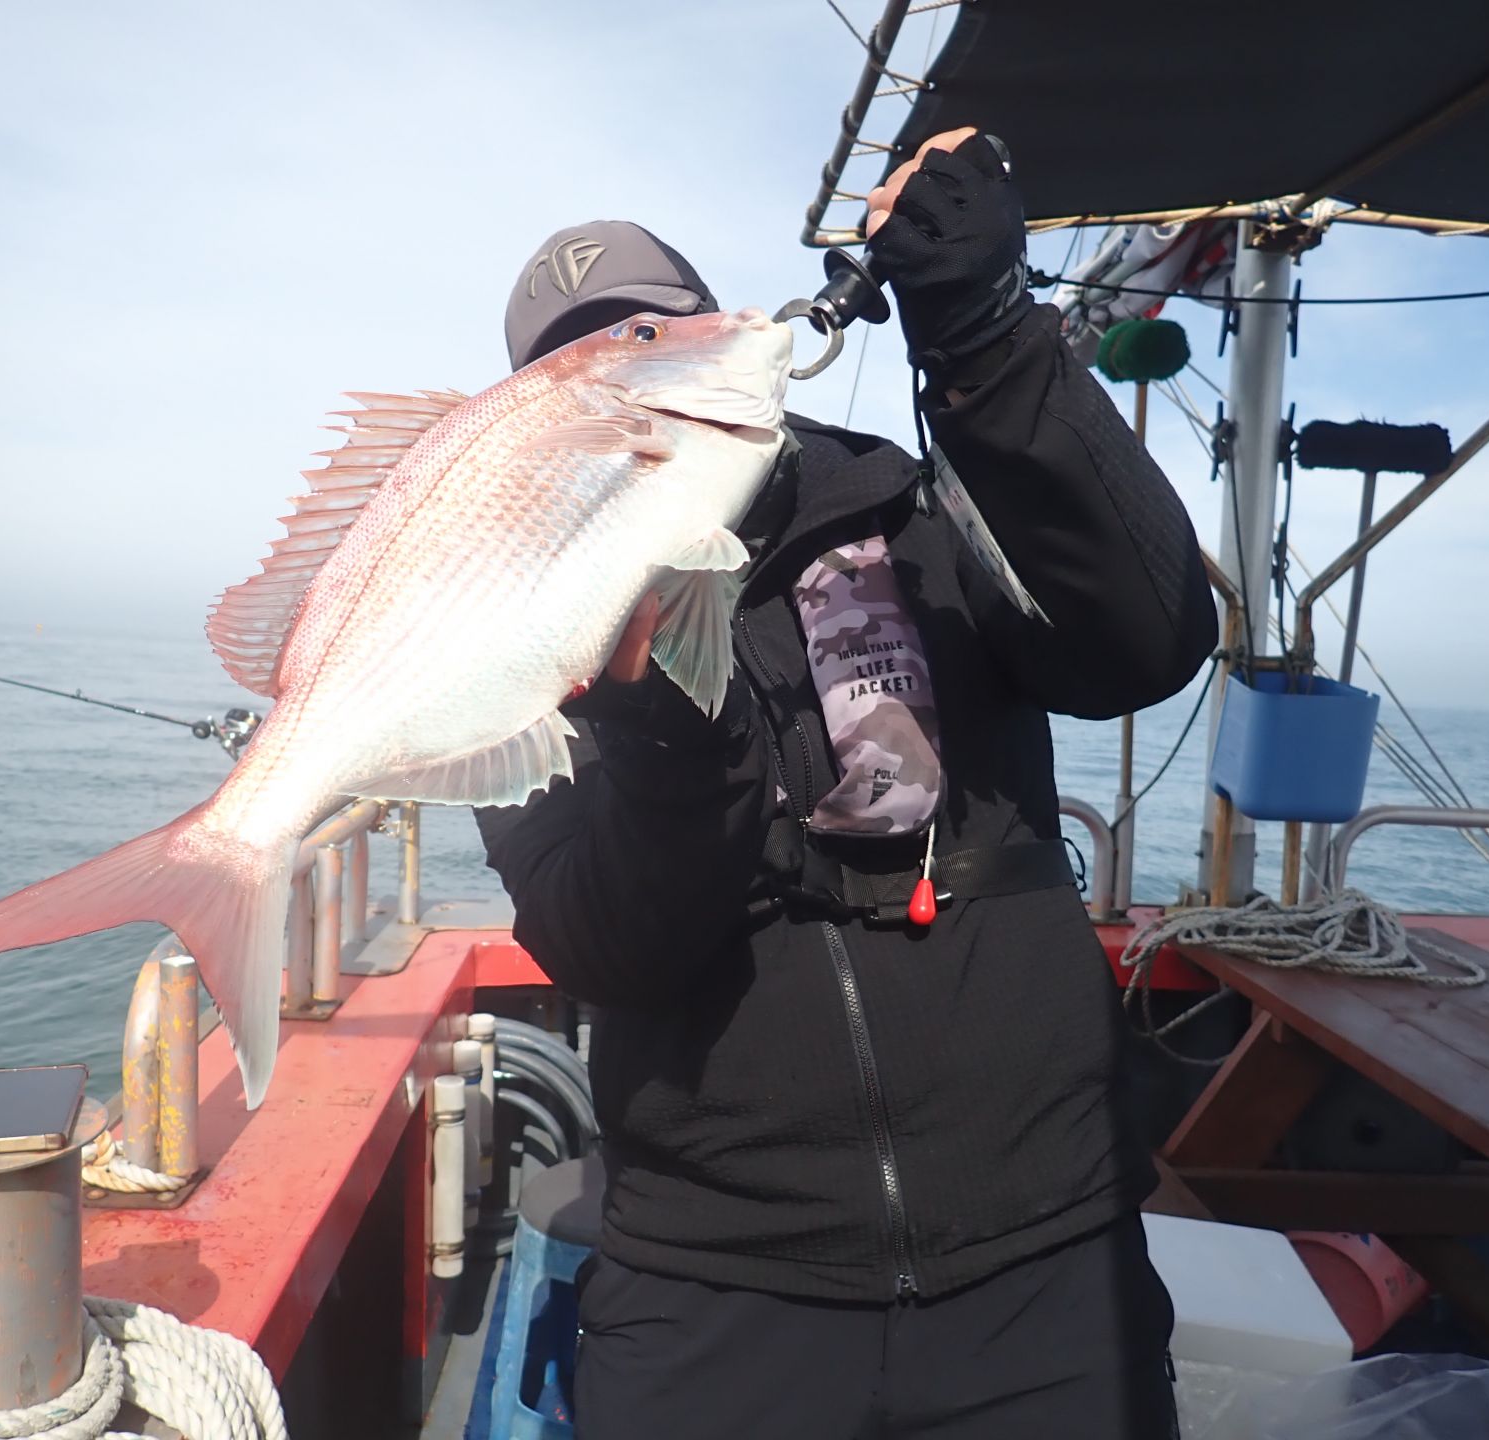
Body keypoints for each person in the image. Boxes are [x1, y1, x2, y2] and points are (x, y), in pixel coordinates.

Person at [477, 130, 1216, 1439]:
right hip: (708, 1283)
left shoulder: (912, 505)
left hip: (1046, 1257)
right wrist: (659, 733)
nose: (624, 394)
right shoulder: (513, 638)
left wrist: (987, 339)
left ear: (718, 336)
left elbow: (1143, 643)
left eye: (649, 340)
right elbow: (604, 948)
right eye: (572, 378)